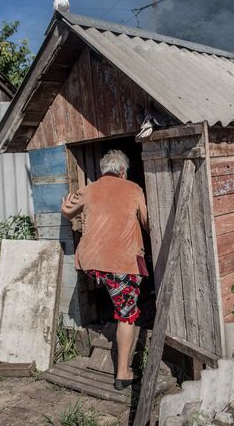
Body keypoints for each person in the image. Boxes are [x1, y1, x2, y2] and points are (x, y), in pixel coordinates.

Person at [61, 149, 149, 390]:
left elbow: (67, 211)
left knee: (117, 297)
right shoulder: (133, 188)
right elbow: (148, 222)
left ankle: (112, 310)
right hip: (121, 263)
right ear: (122, 171)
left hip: (91, 262)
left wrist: (65, 207)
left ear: (103, 171)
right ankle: (123, 373)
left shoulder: (88, 189)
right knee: (127, 315)